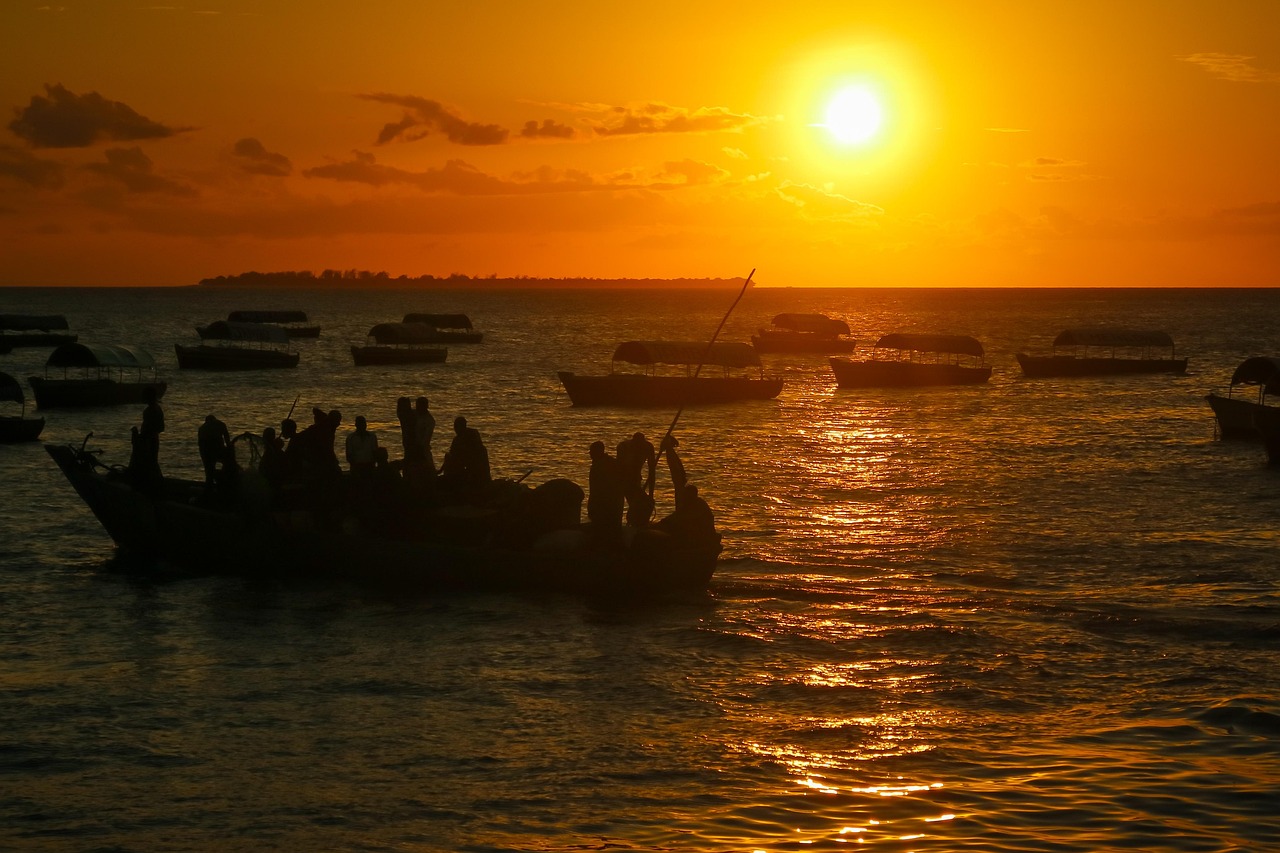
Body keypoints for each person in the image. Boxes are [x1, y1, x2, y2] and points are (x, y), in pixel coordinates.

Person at [655, 434, 716, 539]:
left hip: (699, 537)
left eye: (685, 496)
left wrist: (660, 524)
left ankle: (669, 448)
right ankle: (669, 449)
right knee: (679, 479)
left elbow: (677, 517)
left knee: (679, 480)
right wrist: (669, 450)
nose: (682, 497)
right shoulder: (687, 501)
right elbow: (678, 475)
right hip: (691, 532)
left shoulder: (694, 506)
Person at [440, 416, 491, 497]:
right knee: (448, 457)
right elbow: (452, 455)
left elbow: (472, 455)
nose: (455, 429)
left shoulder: (470, 436)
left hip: (475, 470)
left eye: (456, 427)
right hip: (469, 467)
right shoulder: (460, 439)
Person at [616, 431, 656, 526]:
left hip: (636, 480)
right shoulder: (623, 447)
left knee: (643, 504)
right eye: (636, 445)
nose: (638, 447)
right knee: (629, 503)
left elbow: (652, 472)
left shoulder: (648, 447)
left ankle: (636, 524)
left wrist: (651, 494)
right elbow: (619, 468)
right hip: (622, 479)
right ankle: (626, 524)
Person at [587, 439, 624, 542]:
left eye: (592, 452)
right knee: (613, 531)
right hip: (615, 503)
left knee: (602, 531)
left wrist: (591, 507)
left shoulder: (597, 467)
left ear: (598, 452)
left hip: (604, 504)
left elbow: (595, 490)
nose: (590, 454)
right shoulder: (613, 463)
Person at [129, 386, 164, 493]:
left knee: (148, 464)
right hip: (154, 440)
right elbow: (161, 428)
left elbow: (147, 430)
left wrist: (137, 435)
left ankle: (150, 488)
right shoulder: (158, 409)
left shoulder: (149, 411)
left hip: (148, 441)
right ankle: (157, 485)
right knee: (153, 463)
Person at [197, 414, 233, 495]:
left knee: (209, 472)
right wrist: (229, 451)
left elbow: (200, 445)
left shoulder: (202, 428)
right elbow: (227, 440)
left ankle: (209, 490)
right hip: (217, 449)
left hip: (206, 451)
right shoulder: (221, 424)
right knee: (228, 465)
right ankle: (225, 485)